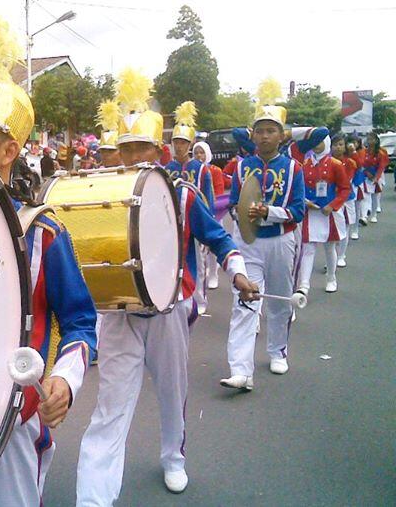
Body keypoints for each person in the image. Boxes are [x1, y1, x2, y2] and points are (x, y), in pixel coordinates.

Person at [0, 14, 97, 507]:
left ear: (10, 150)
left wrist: (65, 382)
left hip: (9, 417)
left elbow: (80, 322)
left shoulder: (42, 233)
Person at [76, 68, 257, 501]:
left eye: (141, 147)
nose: (132, 155)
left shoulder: (183, 194)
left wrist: (237, 271)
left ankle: (173, 458)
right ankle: (94, 496)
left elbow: (218, 237)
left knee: (173, 394)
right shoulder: (103, 194)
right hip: (120, 314)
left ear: (157, 151)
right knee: (110, 409)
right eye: (125, 148)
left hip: (169, 311)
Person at [221, 105, 305, 390]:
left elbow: (298, 211)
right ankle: (241, 370)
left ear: (282, 136)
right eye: (260, 131)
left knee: (279, 300)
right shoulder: (243, 166)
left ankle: (277, 351)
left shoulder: (294, 168)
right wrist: (242, 215)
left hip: (281, 241)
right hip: (249, 242)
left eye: (271, 131)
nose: (265, 136)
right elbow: (233, 202)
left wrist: (269, 212)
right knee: (245, 300)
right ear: (252, 135)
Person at [164, 101, 214, 314]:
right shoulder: (167, 169)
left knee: (200, 266)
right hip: (174, 224)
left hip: (195, 220)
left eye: (183, 142)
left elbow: (208, 198)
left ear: (190, 144)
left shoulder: (201, 169)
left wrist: (207, 225)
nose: (179, 146)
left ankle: (200, 301)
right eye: (176, 142)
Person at [295, 134, 350, 295]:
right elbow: (300, 187)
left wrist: (332, 206)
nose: (316, 145)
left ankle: (331, 278)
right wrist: (305, 201)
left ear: (326, 143)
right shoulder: (305, 164)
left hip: (328, 213)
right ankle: (303, 285)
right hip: (310, 212)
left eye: (319, 142)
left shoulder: (335, 164)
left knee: (329, 247)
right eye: (314, 142)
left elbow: (345, 189)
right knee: (308, 249)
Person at [193, 141, 229, 289]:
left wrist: (210, 213)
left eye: (202, 152)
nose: (199, 155)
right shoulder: (192, 170)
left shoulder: (214, 170)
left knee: (213, 246)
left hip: (213, 213)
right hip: (195, 212)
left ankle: (213, 273)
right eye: (196, 152)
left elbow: (218, 193)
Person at [333, 135, 358, 264]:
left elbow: (346, 182)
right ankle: (331, 258)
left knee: (346, 227)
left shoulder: (349, 162)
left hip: (347, 199)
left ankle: (341, 256)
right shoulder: (327, 161)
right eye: (335, 144)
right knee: (333, 229)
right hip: (332, 200)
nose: (338, 147)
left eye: (341, 144)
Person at [362, 131, 388, 223]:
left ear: (376, 140)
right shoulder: (364, 152)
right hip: (366, 177)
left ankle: (374, 215)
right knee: (366, 197)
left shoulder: (381, 152)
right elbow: (361, 164)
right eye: (368, 139)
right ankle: (364, 216)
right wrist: (366, 172)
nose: (369, 141)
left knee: (375, 197)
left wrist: (376, 178)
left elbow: (382, 166)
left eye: (371, 139)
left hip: (377, 176)